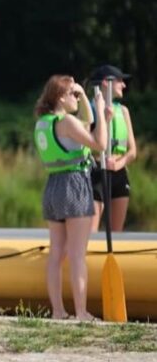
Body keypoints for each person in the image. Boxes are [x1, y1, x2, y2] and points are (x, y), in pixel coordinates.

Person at [34, 75, 110, 321]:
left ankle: (58, 311)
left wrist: (85, 98)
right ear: (60, 97)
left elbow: (85, 125)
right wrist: (99, 107)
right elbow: (100, 143)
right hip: (74, 185)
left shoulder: (43, 123)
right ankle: (81, 313)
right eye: (73, 95)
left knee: (57, 253)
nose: (76, 98)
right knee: (77, 254)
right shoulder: (66, 122)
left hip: (53, 187)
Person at [88, 65, 137, 233]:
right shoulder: (89, 109)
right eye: (120, 81)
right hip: (96, 171)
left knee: (117, 232)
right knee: (91, 230)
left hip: (119, 172)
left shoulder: (123, 111)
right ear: (106, 83)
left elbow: (132, 151)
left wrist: (118, 164)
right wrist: (105, 119)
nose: (123, 85)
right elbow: (87, 142)